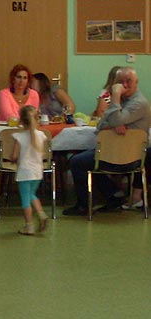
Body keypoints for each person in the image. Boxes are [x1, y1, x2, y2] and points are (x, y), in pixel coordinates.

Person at [63, 67, 151, 216]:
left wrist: (115, 96)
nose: (124, 85)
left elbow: (114, 119)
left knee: (77, 162)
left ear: (136, 82)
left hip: (130, 158)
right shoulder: (122, 101)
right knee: (80, 160)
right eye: (120, 82)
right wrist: (114, 123)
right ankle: (113, 194)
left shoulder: (139, 103)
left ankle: (85, 205)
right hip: (111, 152)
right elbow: (100, 125)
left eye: (128, 81)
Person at [10, 106, 49, 235]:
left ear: (21, 121)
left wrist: (13, 160)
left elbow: (14, 156)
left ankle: (29, 226)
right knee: (32, 194)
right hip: (38, 171)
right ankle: (42, 214)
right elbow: (42, 155)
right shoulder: (41, 135)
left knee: (25, 200)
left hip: (25, 172)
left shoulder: (19, 137)